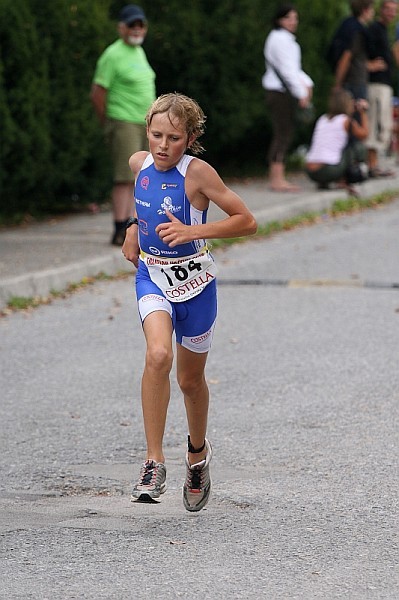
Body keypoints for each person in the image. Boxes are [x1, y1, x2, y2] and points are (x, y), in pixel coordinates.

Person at [122, 93, 257, 512]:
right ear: (147, 131)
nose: (163, 145)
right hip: (153, 277)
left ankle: (197, 454)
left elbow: (247, 221)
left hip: (196, 284)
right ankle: (153, 462)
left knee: (189, 381)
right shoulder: (138, 163)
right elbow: (143, 203)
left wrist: (194, 233)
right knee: (157, 355)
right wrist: (131, 227)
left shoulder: (197, 175)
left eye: (174, 138)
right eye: (156, 134)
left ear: (191, 138)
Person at [91, 5, 156, 246]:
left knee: (143, 176)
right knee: (124, 176)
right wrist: (108, 123)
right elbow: (98, 92)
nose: (137, 29)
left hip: (146, 123)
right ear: (121, 28)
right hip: (124, 121)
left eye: (141, 25)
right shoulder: (113, 54)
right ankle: (120, 229)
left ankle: (135, 226)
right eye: (132, 25)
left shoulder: (139, 52)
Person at [262, 3, 313, 192]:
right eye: (288, 18)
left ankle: (278, 176)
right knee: (282, 133)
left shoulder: (287, 40)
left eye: (294, 18)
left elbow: (295, 69)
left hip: (284, 90)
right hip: (279, 91)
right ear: (279, 19)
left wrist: (307, 84)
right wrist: (301, 93)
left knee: (285, 132)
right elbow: (287, 69)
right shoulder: (279, 39)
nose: (293, 22)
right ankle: (276, 179)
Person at [305, 89, 369, 195]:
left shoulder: (322, 118)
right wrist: (363, 113)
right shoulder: (346, 120)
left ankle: (323, 182)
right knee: (357, 148)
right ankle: (342, 180)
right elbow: (364, 134)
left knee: (334, 147)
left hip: (311, 171)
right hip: (329, 170)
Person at [366, 0, 397, 177]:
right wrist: (367, 65)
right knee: (375, 124)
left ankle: (376, 164)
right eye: (389, 10)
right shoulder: (374, 29)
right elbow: (359, 51)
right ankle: (372, 165)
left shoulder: (385, 30)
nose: (392, 14)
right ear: (381, 10)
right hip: (376, 84)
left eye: (395, 11)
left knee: (383, 124)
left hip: (384, 83)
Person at [333, 0, 383, 102]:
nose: (373, 12)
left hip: (353, 81)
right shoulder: (358, 33)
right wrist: (337, 83)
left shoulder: (347, 25)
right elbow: (346, 57)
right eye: (371, 9)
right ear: (365, 10)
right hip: (355, 83)